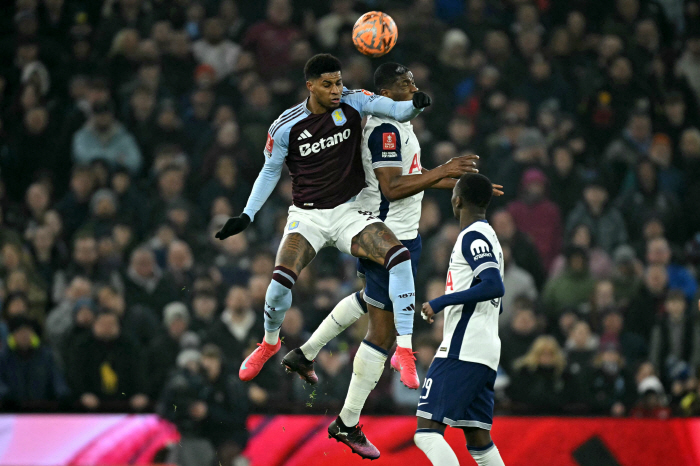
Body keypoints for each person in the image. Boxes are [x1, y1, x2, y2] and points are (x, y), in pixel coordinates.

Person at [278, 62, 497, 459]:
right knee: (381, 333)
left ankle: (305, 354)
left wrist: (462, 184)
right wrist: (446, 171)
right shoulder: (383, 129)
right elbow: (392, 187)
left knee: (370, 301)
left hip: (400, 233)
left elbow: (413, 174)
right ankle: (346, 421)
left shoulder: (401, 126)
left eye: (414, 79)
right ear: (387, 92)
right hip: (385, 235)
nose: (413, 86)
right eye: (405, 83)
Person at [214, 54, 438, 388]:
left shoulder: (354, 101)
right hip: (308, 216)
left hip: (349, 211)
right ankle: (269, 342)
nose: (336, 89)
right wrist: (248, 214)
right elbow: (270, 170)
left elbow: (395, 110)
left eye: (339, 82)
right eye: (328, 84)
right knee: (278, 285)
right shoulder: (286, 125)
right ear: (310, 85)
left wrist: (416, 106)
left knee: (399, 256)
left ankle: (403, 350)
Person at [414, 173, 506, 466]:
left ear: (457, 201)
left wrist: (441, 301)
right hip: (485, 349)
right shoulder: (491, 238)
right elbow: (495, 300)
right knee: (478, 441)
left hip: (463, 349)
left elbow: (494, 285)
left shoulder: (473, 236)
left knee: (426, 433)